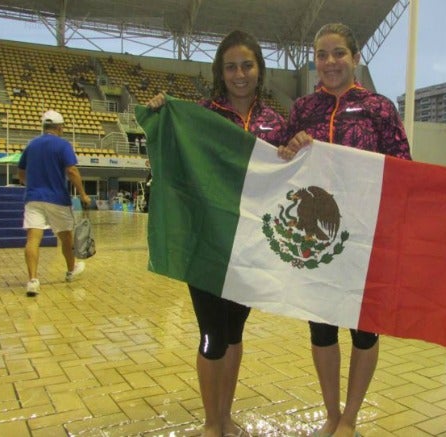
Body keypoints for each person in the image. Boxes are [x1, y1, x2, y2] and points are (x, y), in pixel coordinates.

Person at [146, 30, 287, 437]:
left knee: (235, 331)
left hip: (250, 248)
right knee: (212, 333)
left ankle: (226, 414)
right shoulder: (202, 116)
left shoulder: (276, 123)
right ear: (219, 72)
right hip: (208, 245)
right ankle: (212, 423)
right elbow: (175, 156)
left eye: (247, 65)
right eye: (231, 67)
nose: (239, 74)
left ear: (259, 69)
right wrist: (161, 112)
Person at [278, 23, 411, 437]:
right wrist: (291, 148)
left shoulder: (379, 108)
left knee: (365, 329)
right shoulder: (303, 109)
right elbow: (281, 163)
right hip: (318, 239)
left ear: (355, 58)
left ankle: (351, 417)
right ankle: (331, 415)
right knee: (321, 327)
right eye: (322, 55)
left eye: (339, 53)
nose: (330, 62)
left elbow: (403, 167)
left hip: (366, 238)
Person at [17, 110, 91, 297]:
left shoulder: (31, 145)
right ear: (59, 127)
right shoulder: (62, 145)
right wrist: (83, 194)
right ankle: (71, 269)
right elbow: (72, 171)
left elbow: (21, 173)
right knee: (65, 238)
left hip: (33, 197)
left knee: (33, 239)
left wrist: (32, 185)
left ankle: (33, 280)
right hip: (57, 198)